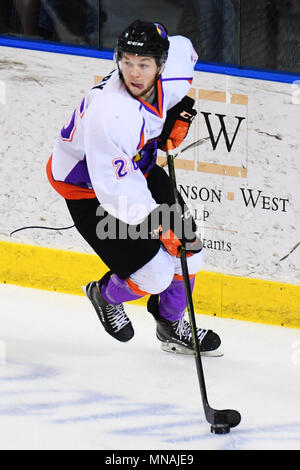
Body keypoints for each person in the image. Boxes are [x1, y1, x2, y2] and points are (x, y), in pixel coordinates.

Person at [46, 20, 221, 355]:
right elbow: (116, 190)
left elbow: (184, 46)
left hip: (135, 166)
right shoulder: (111, 115)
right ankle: (103, 294)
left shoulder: (176, 67)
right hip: (87, 187)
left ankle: (170, 324)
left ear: (161, 65)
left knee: (191, 251)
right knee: (155, 275)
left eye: (143, 64)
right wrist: (159, 222)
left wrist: (172, 111)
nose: (134, 72)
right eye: (126, 62)